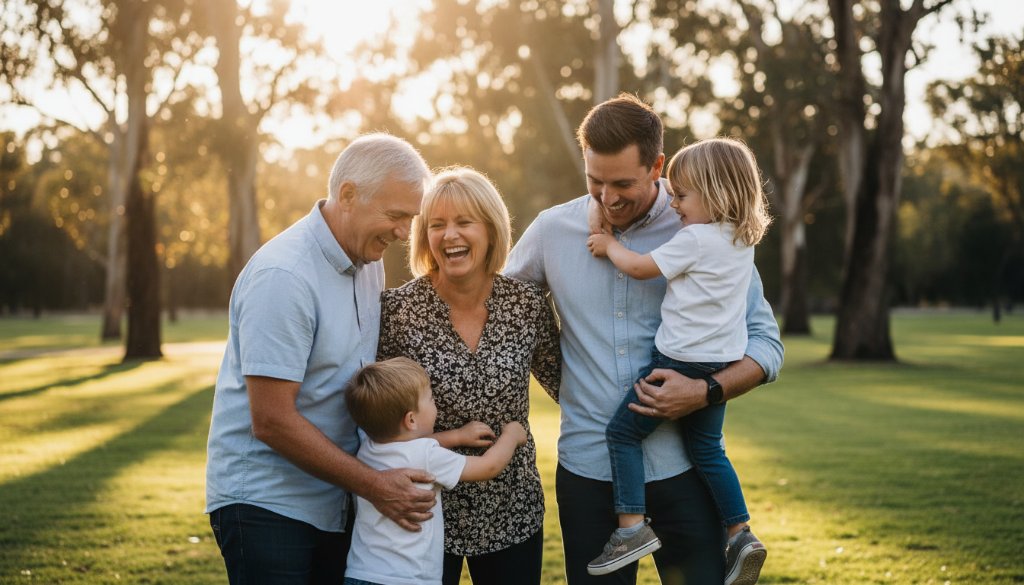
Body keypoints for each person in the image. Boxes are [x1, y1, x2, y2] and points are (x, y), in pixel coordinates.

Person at [504, 94, 784, 585]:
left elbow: (766, 344)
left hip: (682, 472)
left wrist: (704, 391)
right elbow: (500, 308)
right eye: (595, 182)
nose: (608, 198)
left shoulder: (707, 231)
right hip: (588, 472)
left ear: (658, 166)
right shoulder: (552, 230)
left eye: (623, 184)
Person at [205, 133, 436, 585]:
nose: (403, 232)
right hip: (266, 506)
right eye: (395, 215)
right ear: (347, 195)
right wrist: (374, 485)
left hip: (336, 500)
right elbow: (271, 420)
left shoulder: (369, 264)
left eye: (410, 218)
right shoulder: (284, 276)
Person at [583, 138, 772, 585]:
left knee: (622, 434)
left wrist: (608, 244)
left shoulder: (695, 239)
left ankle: (630, 528)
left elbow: (640, 267)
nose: (674, 202)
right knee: (708, 448)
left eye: (683, 195)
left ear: (717, 193)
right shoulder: (739, 242)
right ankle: (739, 531)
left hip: (678, 363)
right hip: (719, 366)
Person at [377, 167, 561, 585]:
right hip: (421, 509)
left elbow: (567, 383)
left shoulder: (526, 304)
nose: (449, 236)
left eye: (464, 222)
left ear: (491, 230)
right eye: (436, 225)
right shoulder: (398, 311)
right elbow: (377, 421)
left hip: (510, 509)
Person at [342, 357, 529, 585]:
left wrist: (457, 436)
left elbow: (416, 445)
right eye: (430, 398)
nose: (435, 403)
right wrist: (511, 435)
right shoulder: (426, 456)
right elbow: (487, 467)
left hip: (361, 572)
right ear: (411, 419)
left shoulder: (368, 451)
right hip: (410, 579)